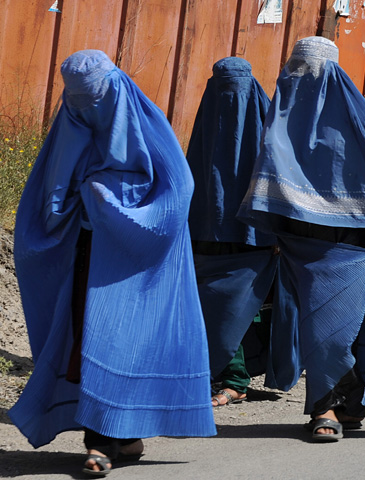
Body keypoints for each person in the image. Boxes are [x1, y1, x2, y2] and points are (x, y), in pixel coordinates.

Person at [9, 50, 216, 476]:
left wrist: (111, 200)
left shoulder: (147, 123)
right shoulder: (69, 122)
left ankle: (116, 435)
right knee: (92, 341)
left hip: (139, 262)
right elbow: (48, 197)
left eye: (96, 99)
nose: (88, 111)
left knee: (128, 343)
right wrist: (73, 204)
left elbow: (178, 191)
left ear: (116, 90)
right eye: (78, 100)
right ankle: (105, 438)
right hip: (87, 259)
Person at [237, 36, 365, 442]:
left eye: (307, 67)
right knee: (314, 331)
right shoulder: (284, 109)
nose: (298, 76)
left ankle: (327, 408)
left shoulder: (358, 116)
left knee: (334, 333)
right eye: (295, 66)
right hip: (294, 243)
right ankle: (340, 403)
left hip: (348, 245)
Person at [185, 57, 278, 407]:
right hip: (207, 233)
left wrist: (277, 231)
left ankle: (236, 379)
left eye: (236, 89)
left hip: (254, 237)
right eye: (224, 89)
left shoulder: (270, 132)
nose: (230, 98)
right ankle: (223, 375)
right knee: (213, 308)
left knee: (236, 308)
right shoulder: (206, 124)